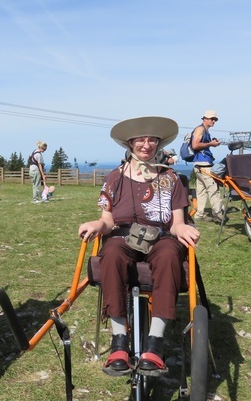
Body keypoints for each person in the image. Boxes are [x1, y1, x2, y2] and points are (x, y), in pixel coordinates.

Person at [78, 116, 199, 376]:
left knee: (168, 254)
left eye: (152, 139)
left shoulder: (171, 178)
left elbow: (176, 223)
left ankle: (155, 343)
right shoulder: (114, 177)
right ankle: (119, 342)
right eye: (141, 139)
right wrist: (97, 225)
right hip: (123, 236)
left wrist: (184, 228)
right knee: (110, 252)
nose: (147, 144)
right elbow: (107, 220)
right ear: (130, 143)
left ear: (158, 143)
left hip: (162, 237)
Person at [190, 110, 225, 223]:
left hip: (199, 164)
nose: (213, 121)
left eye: (215, 119)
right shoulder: (200, 129)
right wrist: (211, 144)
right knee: (213, 189)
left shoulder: (204, 130)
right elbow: (195, 145)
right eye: (211, 119)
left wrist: (211, 142)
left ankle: (200, 214)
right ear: (204, 118)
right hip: (204, 164)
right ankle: (218, 215)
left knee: (201, 190)